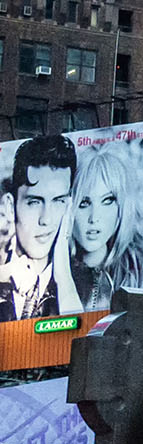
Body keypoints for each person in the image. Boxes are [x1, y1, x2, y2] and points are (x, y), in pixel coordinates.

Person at [68, 140, 143, 310]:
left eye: (107, 200)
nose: (94, 217)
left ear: (122, 206)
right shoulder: (49, 272)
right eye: (84, 203)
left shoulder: (139, 269)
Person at [0, 137, 78, 321]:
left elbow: (87, 342)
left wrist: (64, 279)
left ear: (68, 206)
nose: (46, 219)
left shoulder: (93, 282)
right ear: (11, 207)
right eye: (34, 202)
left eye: (58, 200)